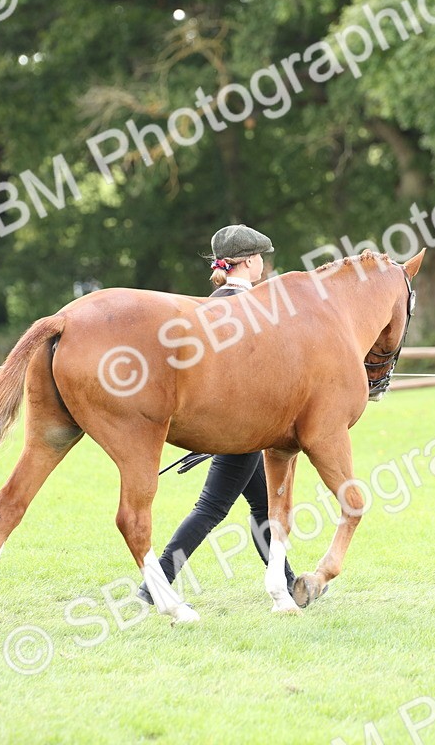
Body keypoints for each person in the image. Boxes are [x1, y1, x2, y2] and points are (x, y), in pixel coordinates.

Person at [137, 224, 322, 609]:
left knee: (259, 505)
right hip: (247, 426)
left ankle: (286, 583)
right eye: (261, 259)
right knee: (211, 508)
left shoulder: (215, 303)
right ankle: (156, 583)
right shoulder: (251, 307)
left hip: (242, 425)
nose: (264, 266)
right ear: (251, 261)